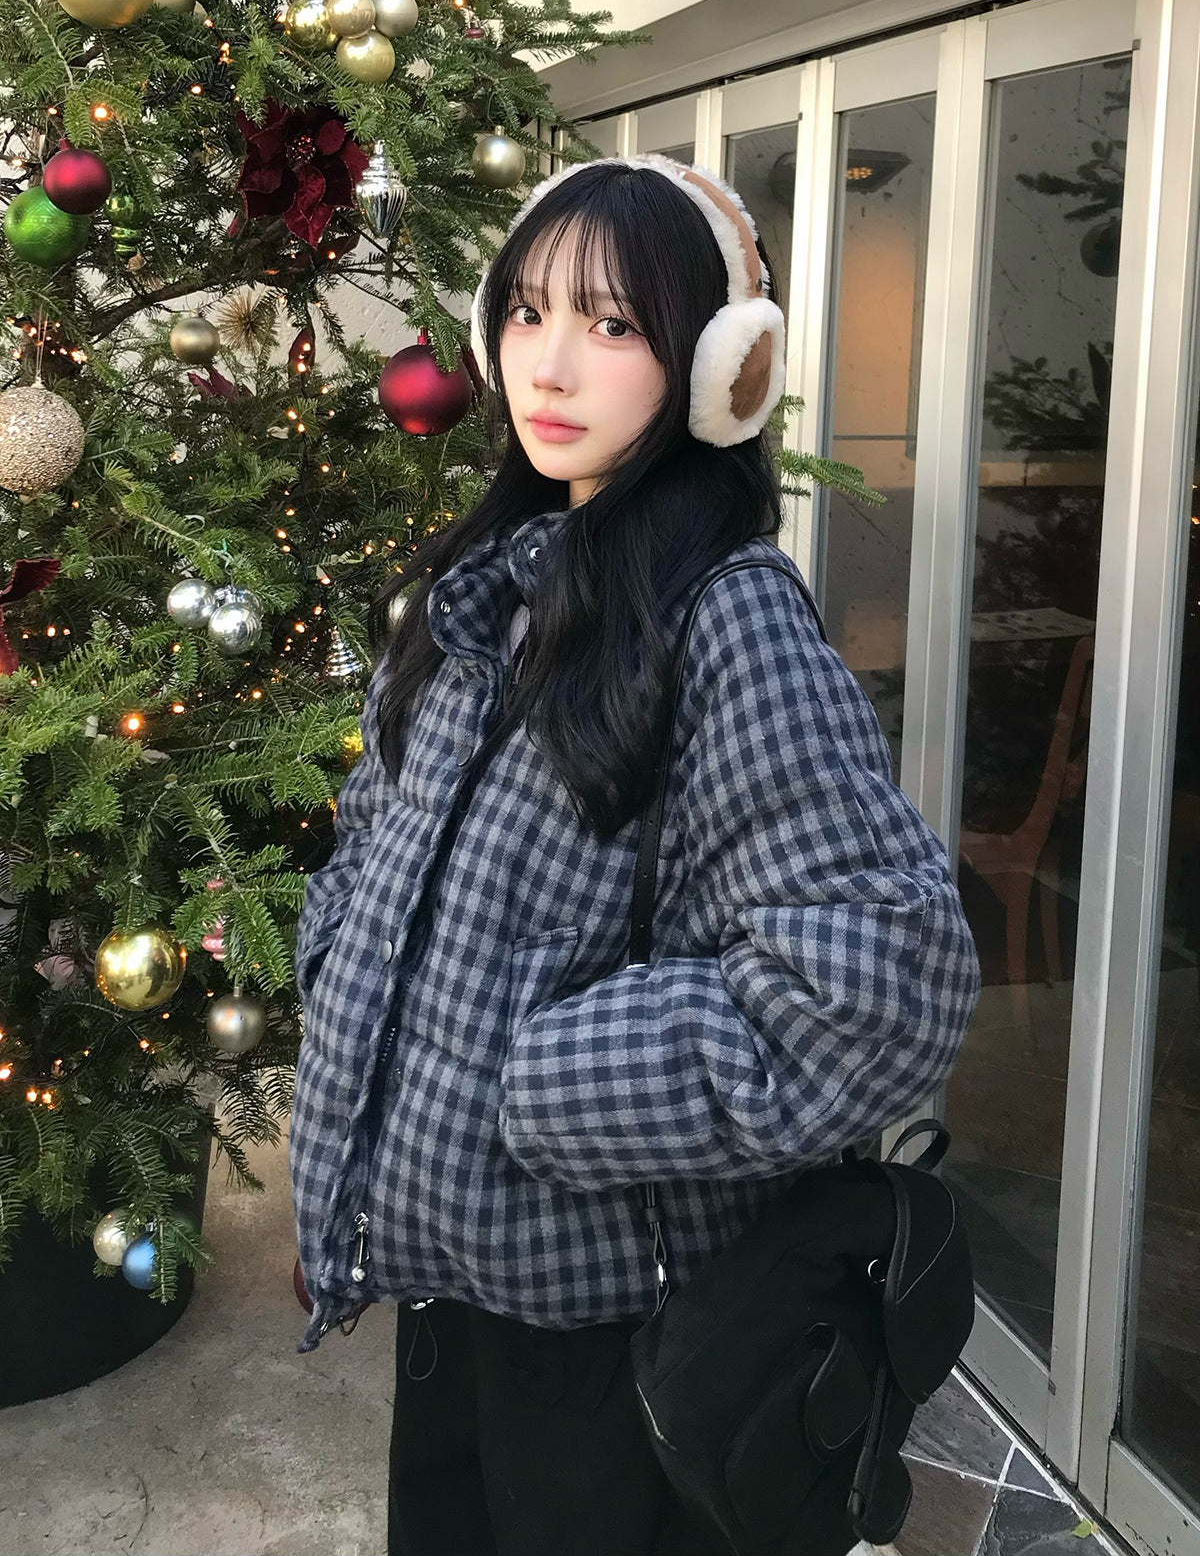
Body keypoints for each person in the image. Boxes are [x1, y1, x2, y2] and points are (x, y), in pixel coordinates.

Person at [289, 155, 982, 1556]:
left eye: (612, 324)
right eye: (528, 312)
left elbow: (883, 977)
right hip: (449, 1294)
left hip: (610, 1342)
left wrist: (533, 1079)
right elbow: (375, 833)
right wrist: (345, 978)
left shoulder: (727, 616)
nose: (550, 366)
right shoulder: (480, 590)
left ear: (718, 369)